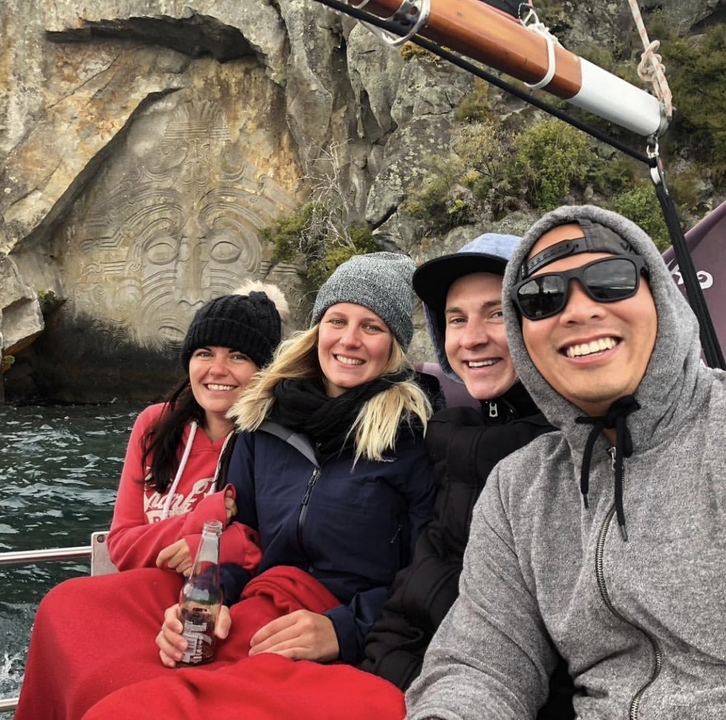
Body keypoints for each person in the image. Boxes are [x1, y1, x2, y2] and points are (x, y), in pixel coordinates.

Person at [16, 252, 435, 720]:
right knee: (68, 611)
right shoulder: (265, 422)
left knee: (132, 708)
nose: (350, 340)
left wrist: (344, 629)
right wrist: (206, 599)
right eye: (337, 320)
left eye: (372, 327)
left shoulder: (418, 439)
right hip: (256, 599)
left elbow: (431, 577)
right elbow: (247, 539)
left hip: (337, 619)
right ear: (317, 330)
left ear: (395, 343)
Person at [405, 204, 726, 719]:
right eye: (542, 298)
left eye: (611, 280)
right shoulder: (519, 486)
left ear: (661, 297)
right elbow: (482, 663)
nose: (576, 311)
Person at [361, 234, 574, 718]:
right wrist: (376, 679)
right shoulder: (454, 438)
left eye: (497, 313)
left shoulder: (579, 449)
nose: (471, 337)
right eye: (456, 319)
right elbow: (416, 593)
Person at [107, 282, 288, 572]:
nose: (217, 369)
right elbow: (122, 547)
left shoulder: (276, 440)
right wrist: (200, 523)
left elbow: (282, 551)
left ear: (265, 371)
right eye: (204, 353)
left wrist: (210, 549)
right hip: (146, 593)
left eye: (238, 356)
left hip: (221, 602)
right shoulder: (155, 423)